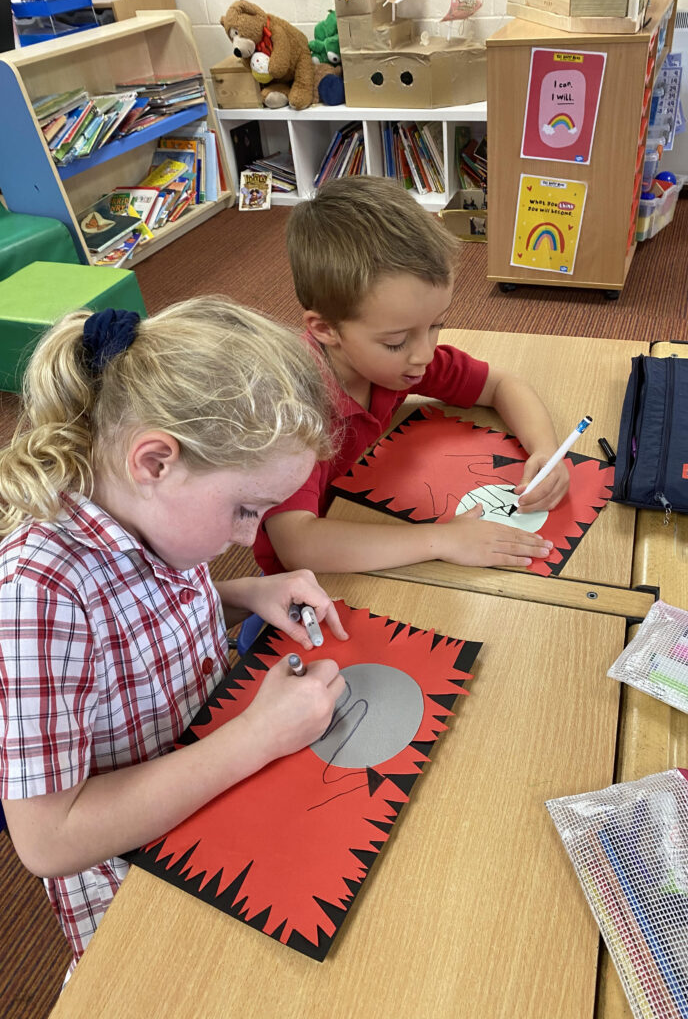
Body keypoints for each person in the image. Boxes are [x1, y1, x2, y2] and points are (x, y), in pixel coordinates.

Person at [0, 297, 348, 976]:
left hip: (209, 781)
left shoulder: (146, 511)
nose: (251, 538)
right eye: (245, 509)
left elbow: (136, 619)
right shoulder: (38, 592)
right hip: (142, 886)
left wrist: (243, 593)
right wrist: (254, 738)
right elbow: (48, 838)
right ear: (155, 460)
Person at [254, 176, 570, 576]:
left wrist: (545, 450)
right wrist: (443, 540)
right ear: (325, 330)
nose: (424, 354)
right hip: (306, 578)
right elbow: (298, 545)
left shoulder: (398, 360)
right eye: (396, 341)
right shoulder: (291, 410)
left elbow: (502, 384)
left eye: (436, 325)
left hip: (365, 511)